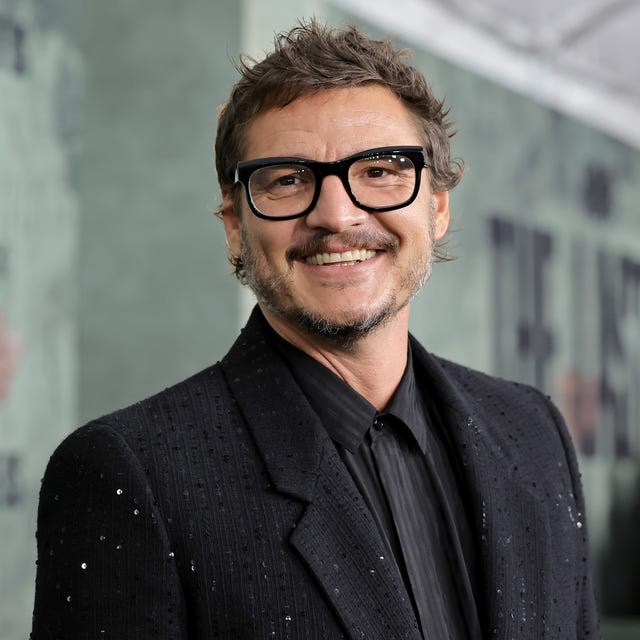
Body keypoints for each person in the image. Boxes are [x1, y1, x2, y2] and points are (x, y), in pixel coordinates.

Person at [31, 21, 600, 640]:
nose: (336, 215)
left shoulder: (533, 432)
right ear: (234, 225)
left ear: (436, 208)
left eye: (380, 170)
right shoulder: (129, 473)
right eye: (288, 179)